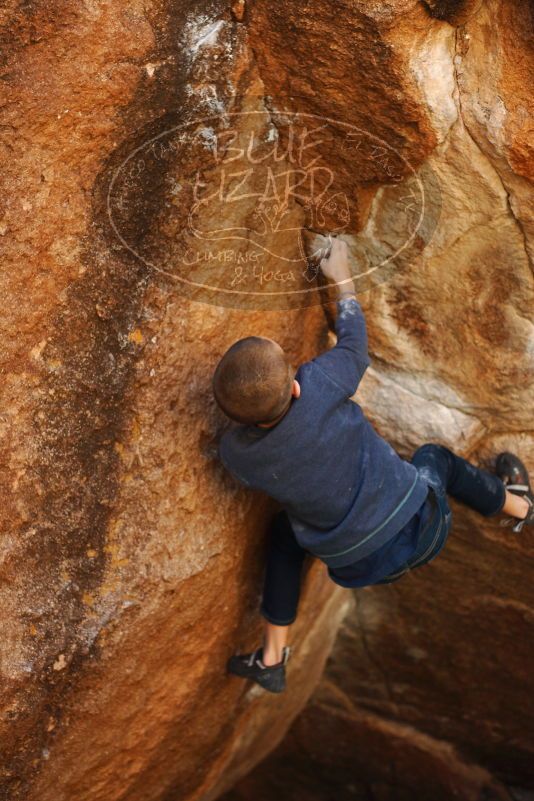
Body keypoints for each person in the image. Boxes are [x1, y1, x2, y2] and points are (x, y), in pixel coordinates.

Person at [213, 239, 533, 694]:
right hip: (425, 527)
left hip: (356, 568)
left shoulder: (238, 454)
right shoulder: (319, 385)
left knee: (285, 538)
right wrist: (340, 274)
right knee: (434, 458)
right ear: (297, 387)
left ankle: (271, 657)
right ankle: (518, 506)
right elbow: (354, 347)